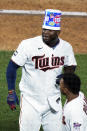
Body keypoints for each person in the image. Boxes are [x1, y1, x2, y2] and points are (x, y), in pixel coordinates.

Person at [6, 9, 77, 131]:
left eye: (50, 30)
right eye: (44, 29)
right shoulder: (27, 45)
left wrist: (66, 76)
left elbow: (71, 65)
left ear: (58, 32)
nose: (45, 32)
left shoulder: (66, 47)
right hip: (30, 101)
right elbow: (12, 67)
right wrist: (11, 92)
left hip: (54, 101)